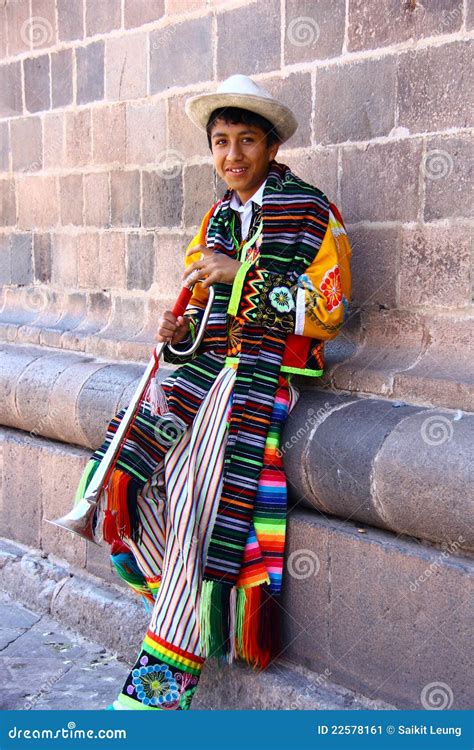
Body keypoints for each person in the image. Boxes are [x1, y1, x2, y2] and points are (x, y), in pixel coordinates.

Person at [100, 74, 352, 710]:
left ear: (270, 147)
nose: (232, 155)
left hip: (258, 378)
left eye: (246, 141)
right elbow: (199, 309)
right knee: (120, 477)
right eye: (220, 142)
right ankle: (193, 599)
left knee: (193, 505)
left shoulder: (311, 211)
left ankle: (155, 699)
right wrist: (180, 327)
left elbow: (330, 310)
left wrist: (242, 274)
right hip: (200, 373)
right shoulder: (214, 219)